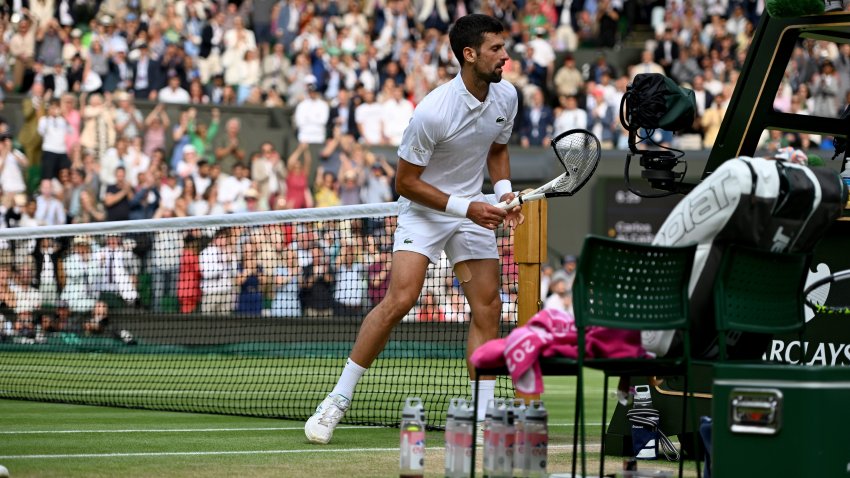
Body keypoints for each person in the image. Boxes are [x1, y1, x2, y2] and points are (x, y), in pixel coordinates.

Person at [305, 14, 522, 445]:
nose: (505, 56)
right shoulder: (432, 112)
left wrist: (503, 193)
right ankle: (336, 400)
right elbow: (404, 183)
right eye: (496, 49)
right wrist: (468, 207)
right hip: (425, 208)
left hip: (472, 210)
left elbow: (498, 149)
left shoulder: (507, 97)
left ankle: (481, 418)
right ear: (470, 54)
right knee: (400, 299)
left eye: (504, 47)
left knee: (488, 308)